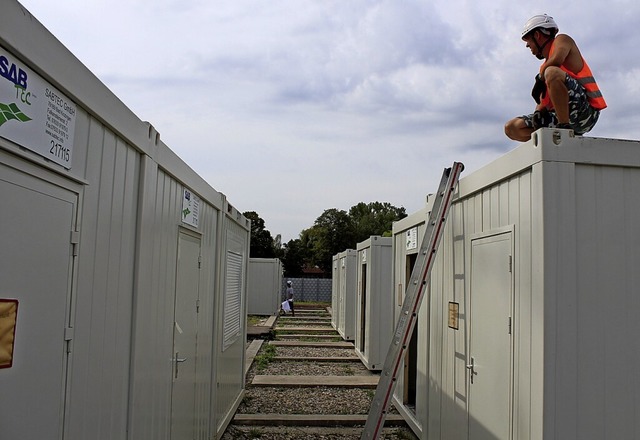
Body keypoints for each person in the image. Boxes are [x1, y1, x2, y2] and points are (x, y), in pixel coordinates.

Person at [504, 14, 606, 142]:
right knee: (512, 128)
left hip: (585, 113)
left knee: (552, 72)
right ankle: (549, 139)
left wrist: (540, 78)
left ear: (537, 35)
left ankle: (563, 131)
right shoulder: (544, 69)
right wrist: (538, 115)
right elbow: (543, 103)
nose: (527, 46)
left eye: (528, 40)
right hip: (559, 116)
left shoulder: (562, 40)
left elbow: (558, 59)